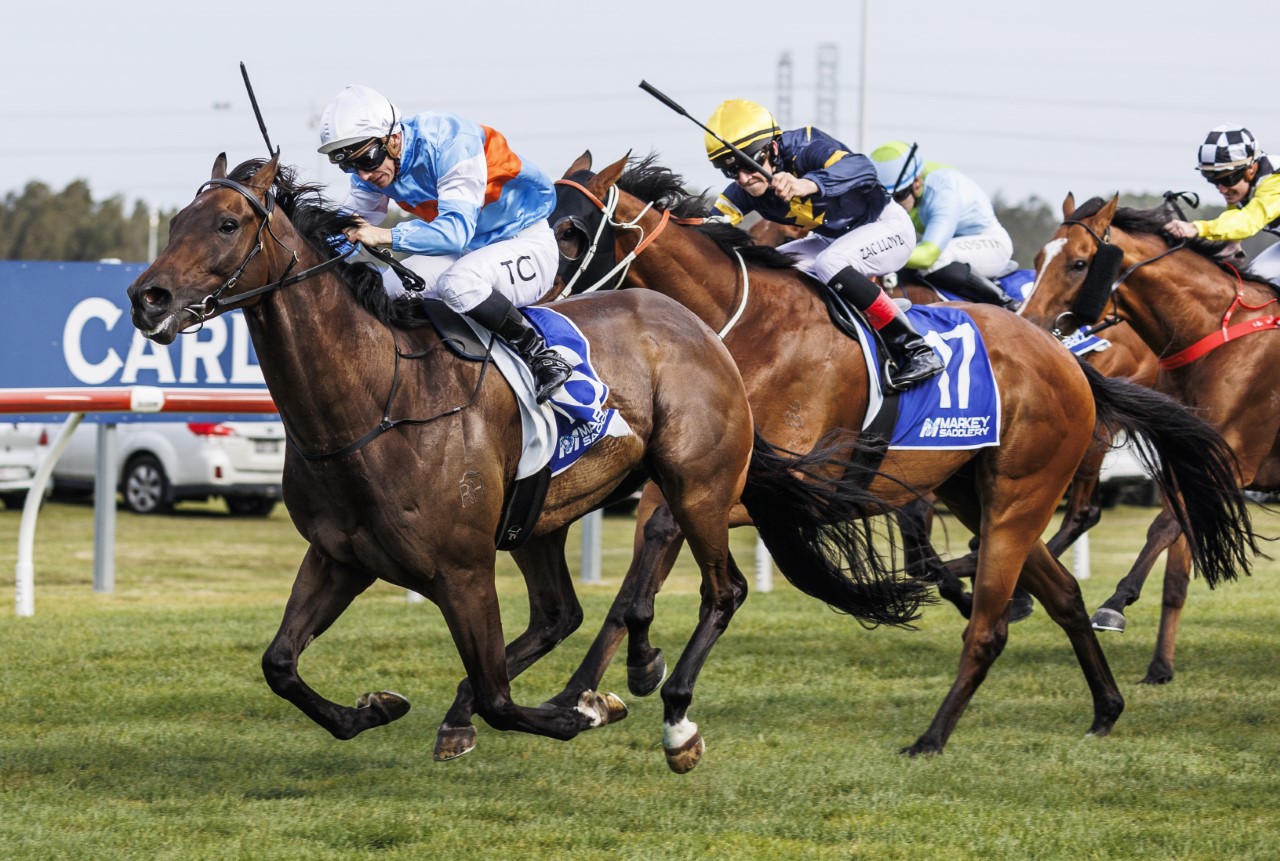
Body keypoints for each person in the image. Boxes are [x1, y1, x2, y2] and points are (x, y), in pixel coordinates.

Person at [317, 84, 572, 404]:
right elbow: (346, 231)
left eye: (366, 159)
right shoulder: (372, 169)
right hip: (469, 253)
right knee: (385, 288)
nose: (363, 175)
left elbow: (454, 234)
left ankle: (541, 356)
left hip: (525, 242)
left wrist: (385, 235)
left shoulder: (450, 141)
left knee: (459, 283)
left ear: (393, 139)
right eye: (349, 166)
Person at [704, 100, 942, 391]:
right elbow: (707, 224)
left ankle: (915, 349)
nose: (743, 178)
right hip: (833, 240)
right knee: (766, 270)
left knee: (830, 262)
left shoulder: (805, 145)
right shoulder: (743, 190)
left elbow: (863, 168)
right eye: (730, 171)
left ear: (773, 147)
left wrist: (809, 184)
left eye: (748, 163)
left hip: (886, 227)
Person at [870, 141, 1020, 310]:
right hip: (954, 246)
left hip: (991, 244)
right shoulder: (906, 188)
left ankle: (1006, 303)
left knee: (933, 261)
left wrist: (877, 254)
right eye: (885, 199)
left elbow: (929, 255)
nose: (893, 205)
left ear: (917, 183)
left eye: (898, 195)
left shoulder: (943, 188)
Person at [1164, 125, 1280, 286]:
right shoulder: (1240, 186)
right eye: (1213, 180)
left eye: (1227, 179)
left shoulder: (1275, 180)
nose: (1222, 189)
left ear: (1251, 169)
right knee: (1257, 284)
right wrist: (1232, 241)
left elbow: (1248, 222)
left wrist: (1196, 228)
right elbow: (1234, 215)